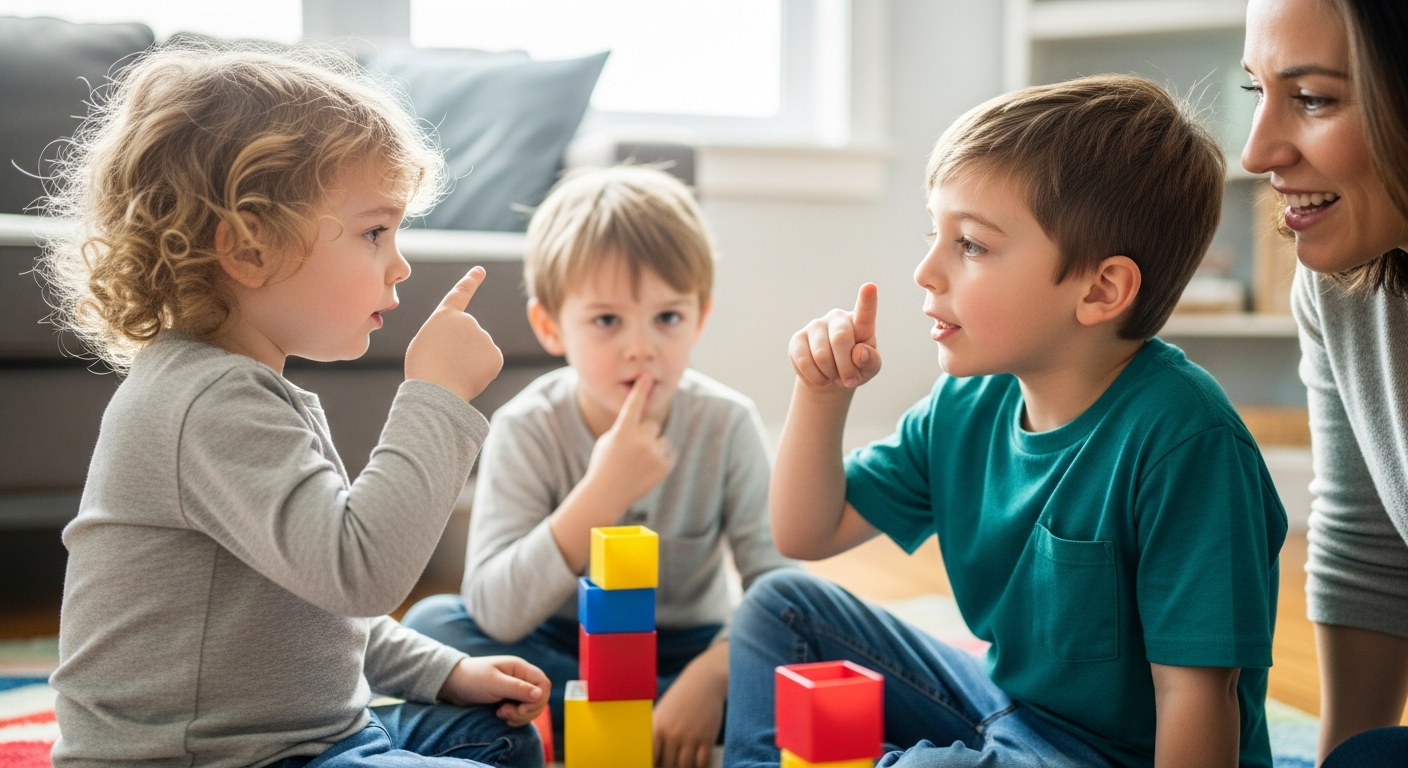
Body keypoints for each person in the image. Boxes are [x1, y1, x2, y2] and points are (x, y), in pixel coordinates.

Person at [723, 75, 1289, 768]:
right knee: (780, 608)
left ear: (1100, 289)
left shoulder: (1186, 442)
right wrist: (821, 396)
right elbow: (805, 532)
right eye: (937, 234)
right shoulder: (968, 404)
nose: (926, 271)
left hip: (1109, 757)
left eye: (971, 246)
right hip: (1007, 706)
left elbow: (1197, 696)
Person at [40, 44, 549, 768]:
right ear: (248, 249)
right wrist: (435, 395)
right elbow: (359, 572)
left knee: (492, 733)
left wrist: (443, 673)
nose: (399, 263)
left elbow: (311, 604)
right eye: (376, 232)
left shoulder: (239, 390)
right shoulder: (208, 402)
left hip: (311, 736)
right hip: (210, 758)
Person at [401, 165, 795, 768]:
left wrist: (710, 680)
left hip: (687, 653)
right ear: (550, 325)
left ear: (701, 317)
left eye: (667, 318)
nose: (641, 348)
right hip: (565, 651)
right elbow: (494, 610)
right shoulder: (527, 426)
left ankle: (669, 721)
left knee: (805, 640)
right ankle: (664, 733)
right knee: (435, 626)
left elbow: (775, 586)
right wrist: (600, 495)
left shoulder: (727, 423)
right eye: (607, 320)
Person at [1240, 0, 1408, 763]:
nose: (1255, 151)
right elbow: (1367, 542)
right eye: (1257, 92)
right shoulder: (1341, 292)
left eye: (1312, 98)